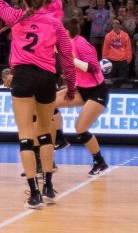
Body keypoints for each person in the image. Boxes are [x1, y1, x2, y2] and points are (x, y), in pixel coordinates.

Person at [0, 0, 76, 210]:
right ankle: (48, 187)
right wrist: (71, 86)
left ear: (24, 0)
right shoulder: (56, 20)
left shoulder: (14, 16)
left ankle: (33, 193)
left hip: (23, 76)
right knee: (45, 133)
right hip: (47, 77)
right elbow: (67, 57)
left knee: (26, 134)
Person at [55, 17, 109, 177]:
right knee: (48, 102)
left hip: (97, 91)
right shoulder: (63, 45)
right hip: (80, 89)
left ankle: (100, 161)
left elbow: (93, 68)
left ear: (66, 31)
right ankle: (60, 139)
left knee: (80, 128)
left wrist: (73, 61)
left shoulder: (80, 43)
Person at [102, 18, 132, 85]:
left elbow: (128, 48)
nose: (115, 25)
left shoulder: (125, 35)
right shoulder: (108, 35)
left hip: (123, 61)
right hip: (111, 61)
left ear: (120, 25)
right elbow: (105, 49)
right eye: (114, 23)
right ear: (112, 25)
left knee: (123, 81)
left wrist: (128, 60)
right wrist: (105, 61)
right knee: (111, 81)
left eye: (117, 23)